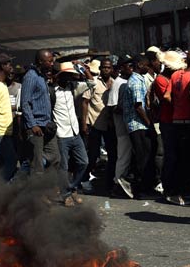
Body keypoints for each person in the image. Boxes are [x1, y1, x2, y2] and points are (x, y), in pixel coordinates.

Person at [52, 61, 89, 205]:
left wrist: (84, 69)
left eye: (71, 76)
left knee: (83, 162)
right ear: (60, 76)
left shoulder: (73, 88)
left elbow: (91, 82)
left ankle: (71, 187)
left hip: (75, 132)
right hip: (61, 135)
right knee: (64, 167)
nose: (70, 78)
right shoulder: (52, 92)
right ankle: (66, 194)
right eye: (67, 76)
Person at [21, 49, 60, 175]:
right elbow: (25, 103)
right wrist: (33, 125)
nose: (51, 63)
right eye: (49, 61)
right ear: (40, 61)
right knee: (37, 166)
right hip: (36, 126)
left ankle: (27, 168)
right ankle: (36, 192)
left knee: (55, 157)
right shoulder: (31, 76)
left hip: (47, 125)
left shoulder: (41, 76)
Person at [121, 55, 156, 197]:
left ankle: (144, 186)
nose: (148, 68)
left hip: (139, 124)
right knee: (142, 158)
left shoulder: (138, 80)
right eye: (146, 65)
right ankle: (141, 190)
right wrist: (149, 123)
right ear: (140, 65)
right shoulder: (135, 82)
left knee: (145, 156)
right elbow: (138, 106)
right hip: (138, 125)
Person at [167, 50, 190, 204]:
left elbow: (167, 96)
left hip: (176, 120)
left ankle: (176, 191)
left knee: (179, 158)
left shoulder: (175, 75)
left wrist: (177, 105)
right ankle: (186, 193)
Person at [154, 51, 184, 203]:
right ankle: (168, 189)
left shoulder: (171, 77)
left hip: (175, 120)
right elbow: (169, 99)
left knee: (177, 156)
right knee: (170, 156)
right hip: (167, 121)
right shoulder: (160, 80)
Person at [81, 58, 115, 189]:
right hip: (94, 123)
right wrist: (84, 124)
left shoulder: (113, 83)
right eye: (104, 67)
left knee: (112, 154)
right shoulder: (94, 82)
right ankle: (84, 179)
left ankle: (109, 181)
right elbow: (85, 102)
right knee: (93, 154)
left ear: (112, 69)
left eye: (109, 67)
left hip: (109, 125)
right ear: (100, 69)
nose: (106, 69)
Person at [109, 55, 135, 198]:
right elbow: (113, 107)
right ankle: (117, 183)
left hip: (128, 125)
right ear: (121, 68)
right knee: (123, 156)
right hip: (122, 127)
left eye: (132, 65)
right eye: (128, 65)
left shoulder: (128, 81)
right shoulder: (118, 83)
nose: (131, 67)